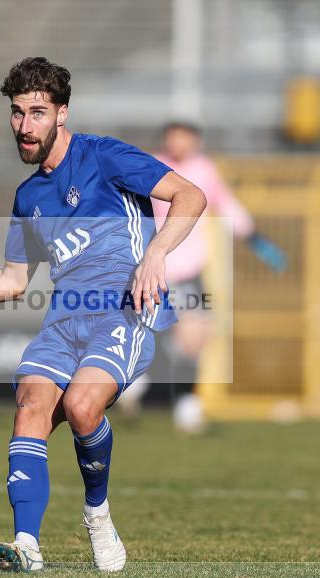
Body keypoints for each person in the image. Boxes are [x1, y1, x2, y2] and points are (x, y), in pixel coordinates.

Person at [0, 57, 205, 572]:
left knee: (83, 407)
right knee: (30, 407)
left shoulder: (104, 157)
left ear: (62, 114)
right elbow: (12, 282)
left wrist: (156, 253)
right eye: (17, 113)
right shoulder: (29, 196)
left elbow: (190, 195)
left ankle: (97, 512)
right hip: (63, 323)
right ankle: (26, 546)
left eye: (37, 112)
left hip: (125, 312)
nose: (24, 126)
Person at [119, 121, 287, 432]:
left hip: (190, 270)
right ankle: (144, 387)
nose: (179, 144)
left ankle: (181, 403)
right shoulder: (151, 167)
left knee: (196, 336)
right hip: (154, 266)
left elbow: (227, 206)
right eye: (174, 138)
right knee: (156, 335)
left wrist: (256, 241)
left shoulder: (204, 170)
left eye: (186, 138)